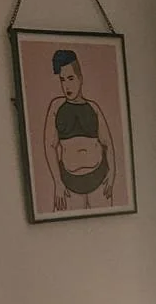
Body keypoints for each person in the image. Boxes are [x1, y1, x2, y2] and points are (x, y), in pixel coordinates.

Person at [43, 48, 117, 212]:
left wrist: (112, 174)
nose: (66, 85)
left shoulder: (93, 107)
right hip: (69, 183)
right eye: (62, 80)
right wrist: (57, 182)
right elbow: (50, 146)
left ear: (80, 78)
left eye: (70, 78)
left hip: (99, 179)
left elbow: (108, 144)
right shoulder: (56, 106)